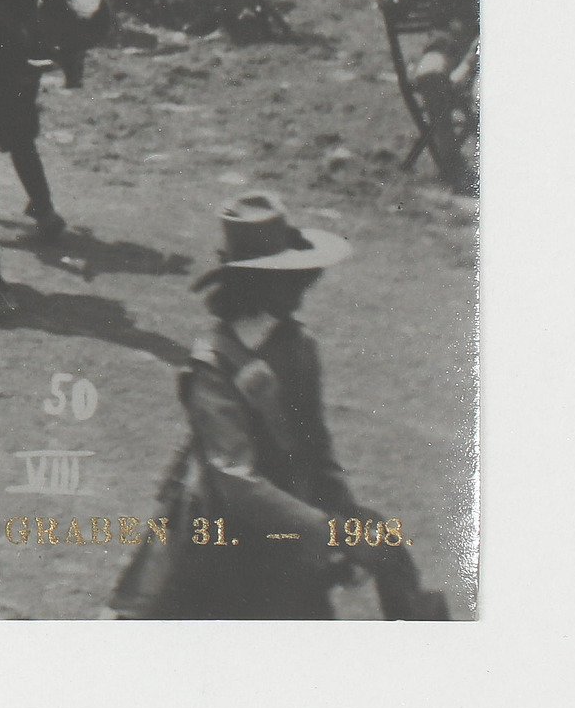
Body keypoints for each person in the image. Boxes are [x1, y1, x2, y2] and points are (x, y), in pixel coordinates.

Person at [111, 195, 446, 619]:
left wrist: (347, 514)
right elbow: (237, 484)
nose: (302, 289)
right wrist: (333, 532)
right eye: (287, 279)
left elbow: (316, 449)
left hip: (295, 517)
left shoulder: (298, 346)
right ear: (256, 285)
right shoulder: (213, 367)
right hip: (224, 535)